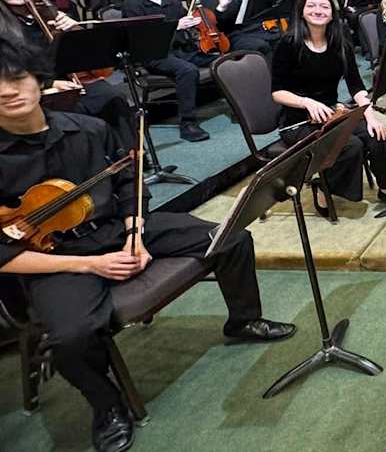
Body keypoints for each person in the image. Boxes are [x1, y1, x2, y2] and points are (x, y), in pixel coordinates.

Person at [0, 40, 295, 452]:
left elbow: (128, 184)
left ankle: (243, 319)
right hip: (55, 257)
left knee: (233, 236)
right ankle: (107, 407)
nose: (6, 90)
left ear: (38, 81)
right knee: (71, 337)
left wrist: (135, 232)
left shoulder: (89, 129)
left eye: (15, 78)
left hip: (118, 228)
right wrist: (92, 266)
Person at [270, 0, 386, 213]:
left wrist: (370, 117)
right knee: (351, 145)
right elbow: (277, 92)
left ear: (332, 14)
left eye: (324, 6)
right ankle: (323, 187)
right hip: (298, 121)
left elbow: (356, 85)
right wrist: (307, 102)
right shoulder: (288, 43)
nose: (318, 11)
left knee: (376, 133)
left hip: (332, 115)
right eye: (311, 6)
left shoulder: (340, 42)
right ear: (301, 12)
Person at [0, 0, 135, 150]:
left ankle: (130, 158)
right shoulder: (3, 23)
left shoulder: (46, 13)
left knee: (113, 97)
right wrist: (49, 84)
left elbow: (89, 56)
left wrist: (73, 29)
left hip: (67, 78)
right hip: (26, 85)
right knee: (76, 114)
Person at [120, 0, 212, 142]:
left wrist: (192, 24)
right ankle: (188, 124)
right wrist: (176, 26)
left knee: (221, 58)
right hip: (154, 54)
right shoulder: (133, 4)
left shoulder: (171, 2)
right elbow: (141, 39)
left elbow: (181, 28)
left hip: (180, 50)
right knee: (188, 70)